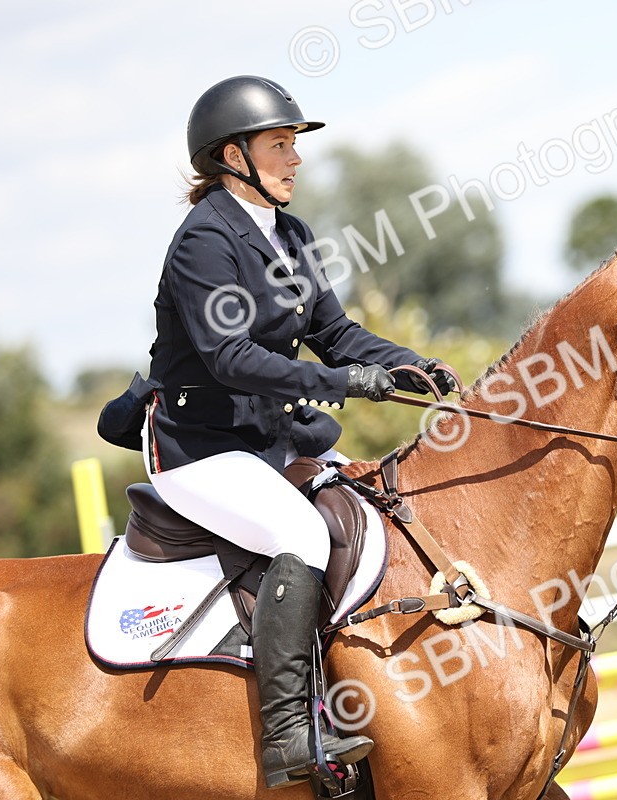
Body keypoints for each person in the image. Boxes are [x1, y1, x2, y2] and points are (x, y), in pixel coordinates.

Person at [139, 75, 456, 789]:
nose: (296, 159)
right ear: (233, 156)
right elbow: (232, 359)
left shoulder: (291, 233)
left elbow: (334, 333)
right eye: (280, 144)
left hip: (270, 440)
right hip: (200, 447)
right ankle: (288, 732)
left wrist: (409, 364)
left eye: (293, 145)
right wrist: (347, 385)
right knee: (303, 537)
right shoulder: (203, 242)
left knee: (375, 511)